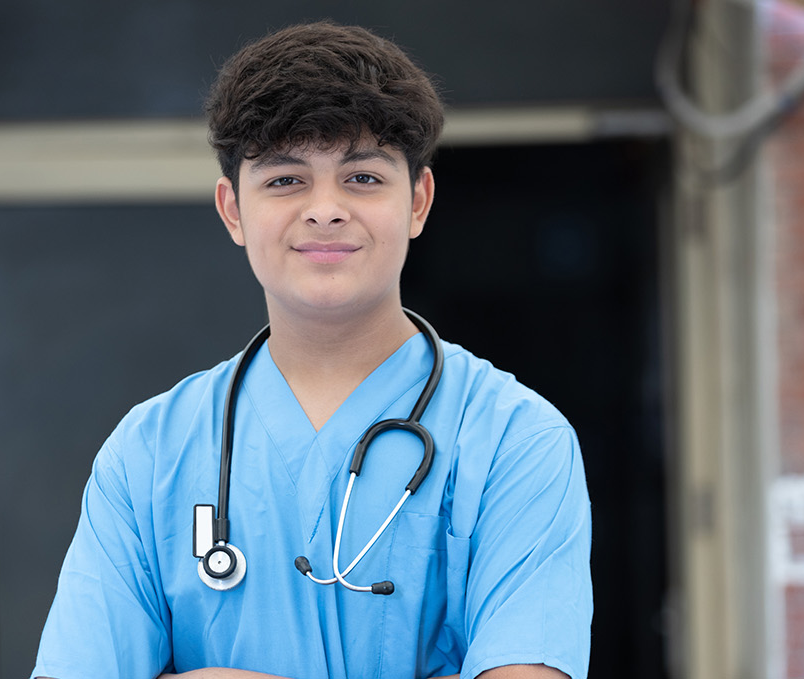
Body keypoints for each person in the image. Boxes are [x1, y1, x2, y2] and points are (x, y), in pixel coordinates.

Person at [32, 21, 592, 679]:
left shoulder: (513, 440)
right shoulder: (147, 454)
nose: (325, 209)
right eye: (284, 179)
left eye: (360, 177)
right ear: (232, 210)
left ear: (417, 201)